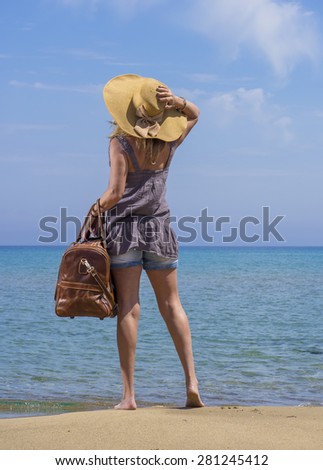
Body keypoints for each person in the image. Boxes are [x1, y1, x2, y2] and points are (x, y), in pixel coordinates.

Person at [91, 74, 204, 410]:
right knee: (172, 305)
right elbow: (196, 114)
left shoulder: (121, 143)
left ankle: (128, 397)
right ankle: (192, 384)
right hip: (160, 229)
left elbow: (114, 194)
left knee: (129, 307)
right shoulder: (168, 143)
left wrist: (92, 213)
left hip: (125, 231)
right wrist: (178, 102)